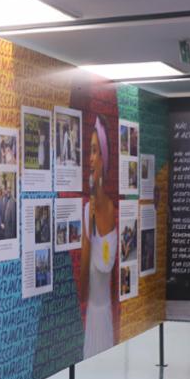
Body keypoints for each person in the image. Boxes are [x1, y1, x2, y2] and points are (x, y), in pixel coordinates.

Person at [81, 116, 118, 358]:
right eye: (89, 152)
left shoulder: (112, 211)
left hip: (104, 318)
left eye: (95, 151)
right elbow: (84, 289)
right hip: (97, 319)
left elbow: (89, 286)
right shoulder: (89, 211)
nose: (90, 159)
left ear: (104, 158)